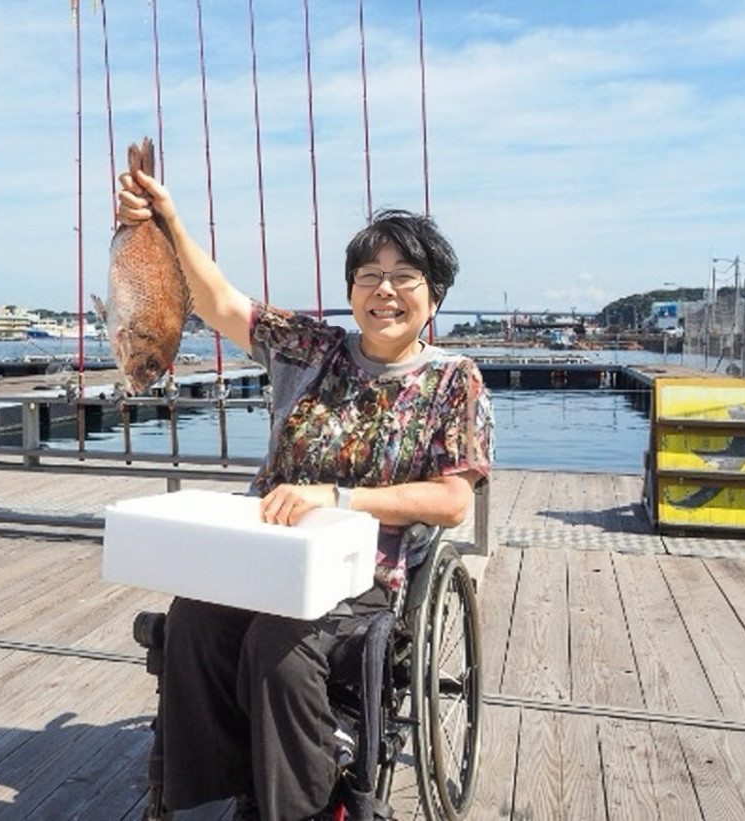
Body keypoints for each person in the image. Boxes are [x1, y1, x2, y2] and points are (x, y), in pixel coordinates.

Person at [117, 169, 493, 820]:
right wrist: (165, 221)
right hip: (263, 555)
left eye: (405, 274)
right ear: (351, 289)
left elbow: (453, 501)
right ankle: (238, 781)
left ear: (434, 295)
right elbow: (217, 300)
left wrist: (339, 500)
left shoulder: (452, 380)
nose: (385, 288)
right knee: (194, 621)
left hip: (360, 575)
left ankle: (311, 806)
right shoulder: (311, 347)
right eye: (369, 274)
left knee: (277, 643)